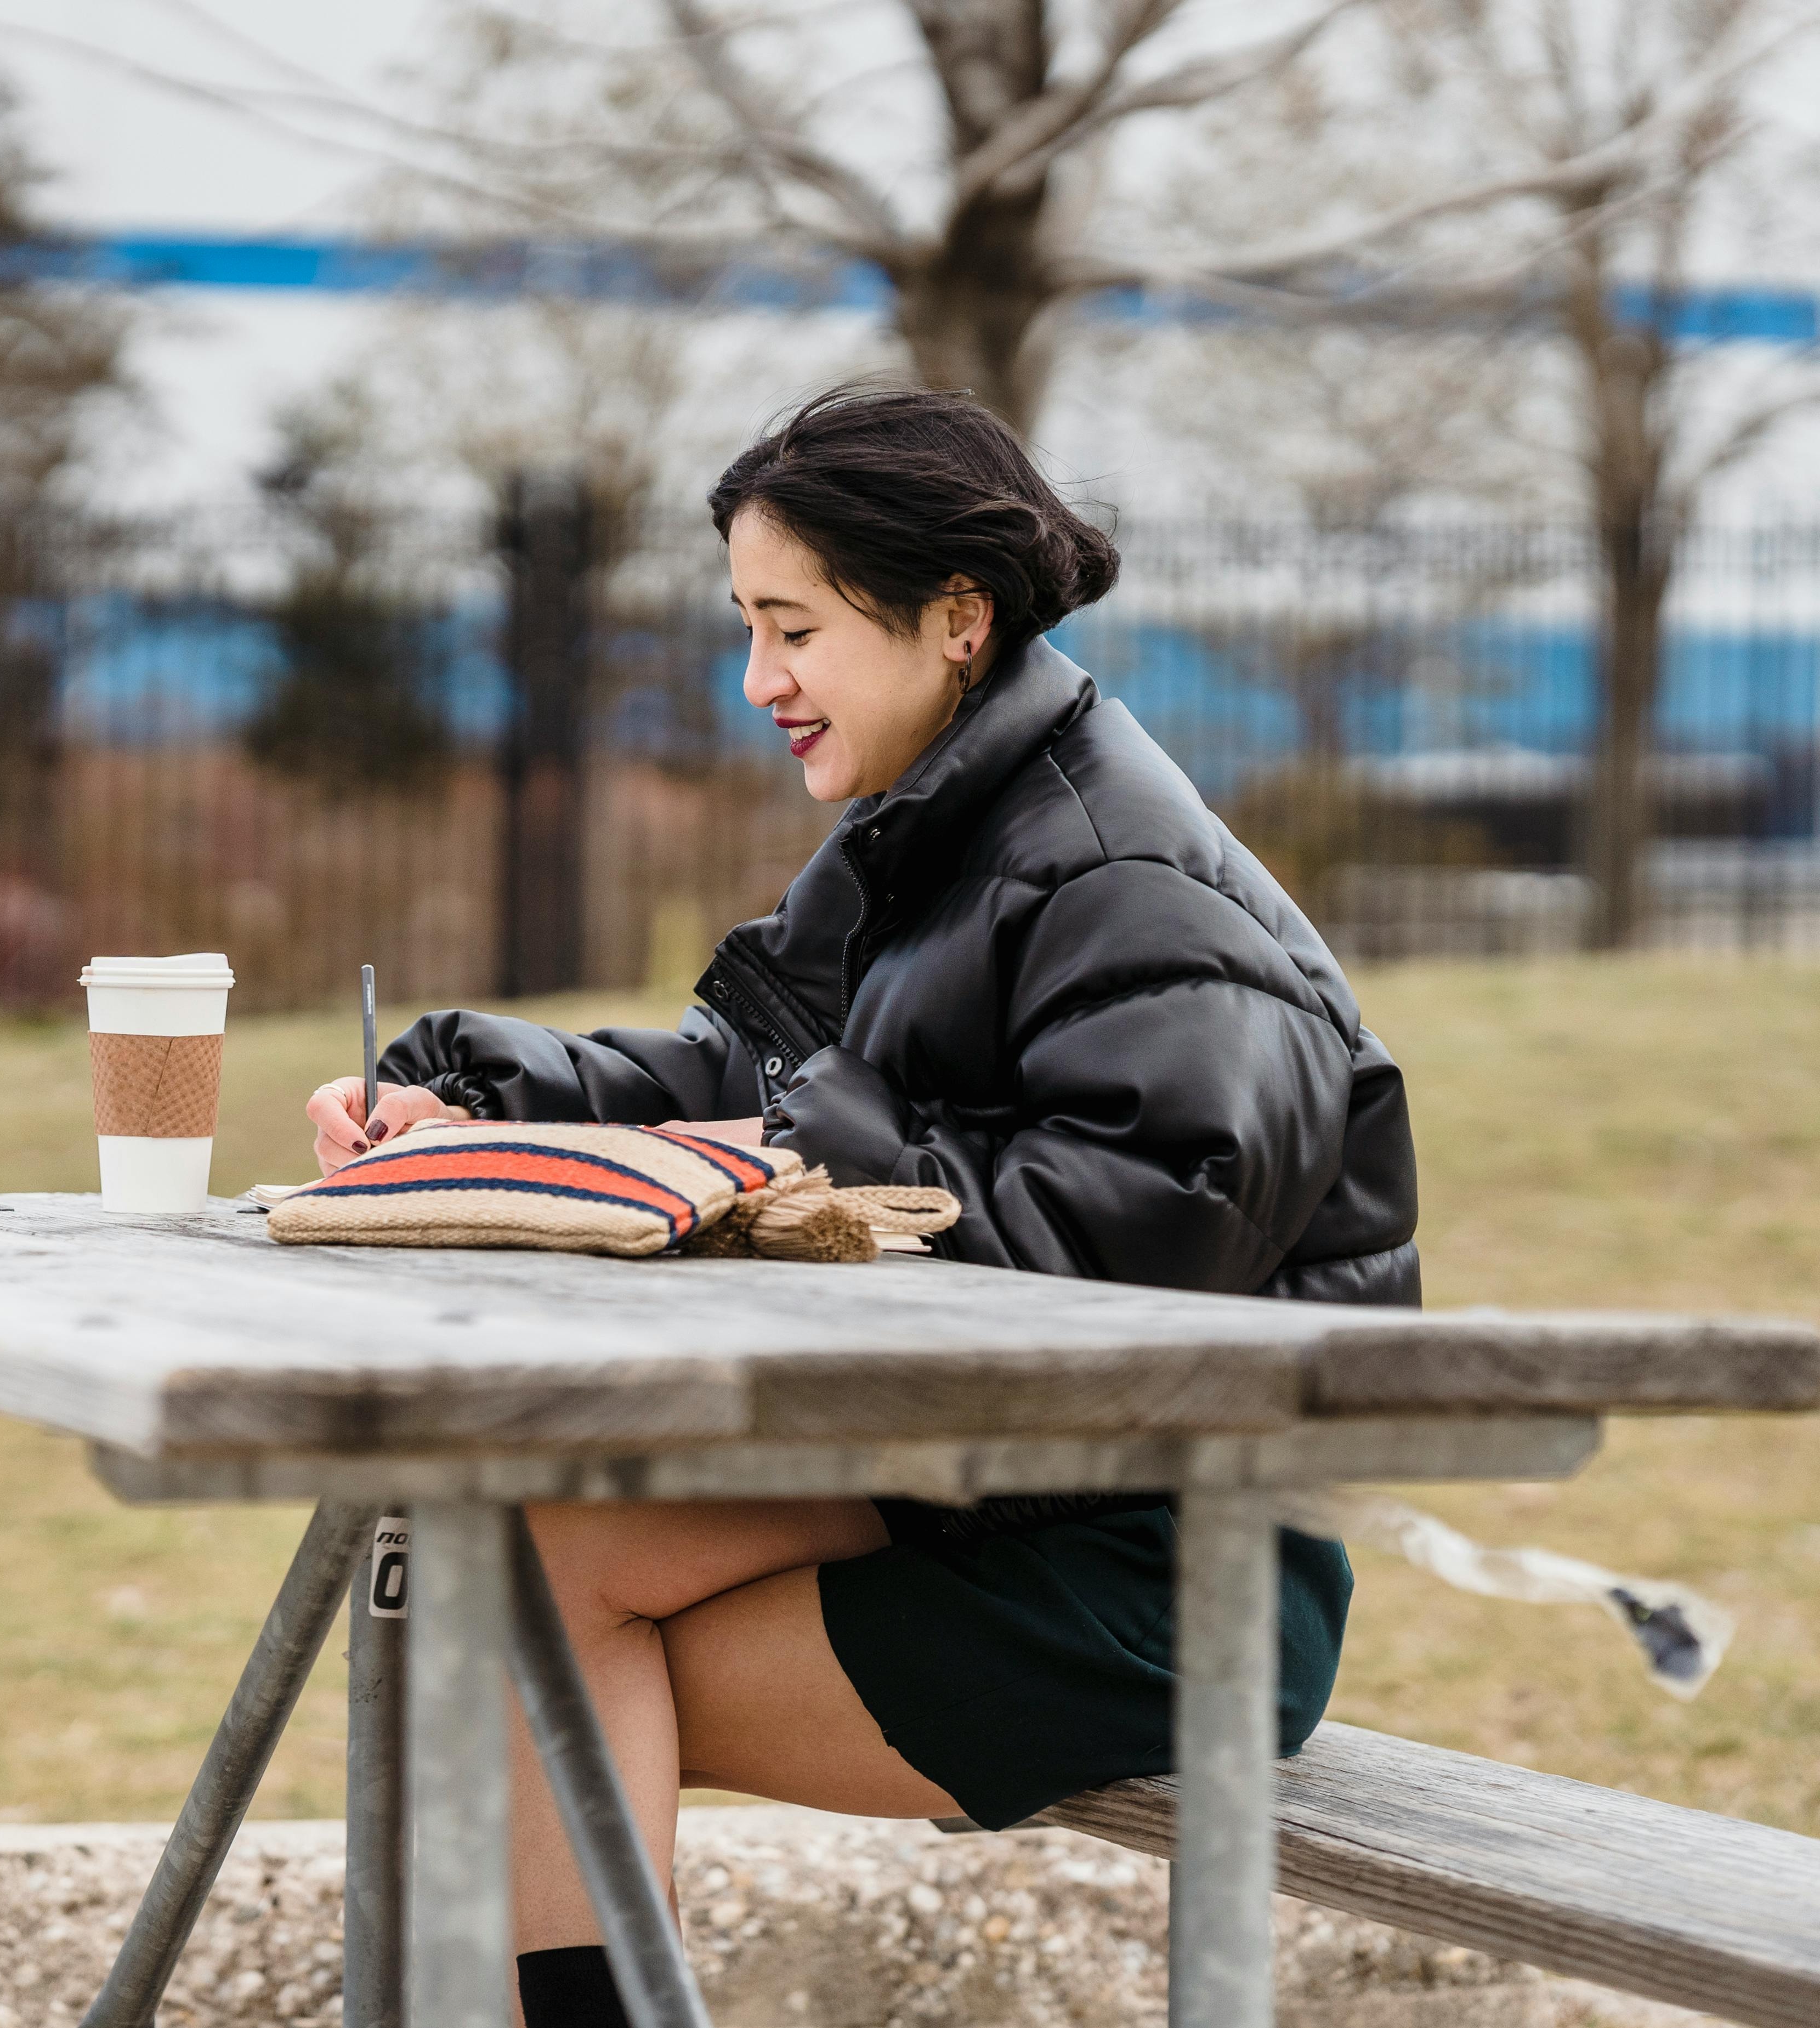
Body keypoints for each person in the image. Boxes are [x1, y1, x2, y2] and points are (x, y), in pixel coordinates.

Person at [301, 383, 1418, 2028]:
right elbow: (739, 1067)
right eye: (749, 629)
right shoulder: (933, 831)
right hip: (990, 1491)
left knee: (502, 1643)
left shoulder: (1126, 881)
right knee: (495, 1581)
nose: (759, 682)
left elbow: (1120, 1272)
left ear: (953, 620)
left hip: (1162, 1559)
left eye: (793, 630)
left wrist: (820, 1126)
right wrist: (475, 1095)